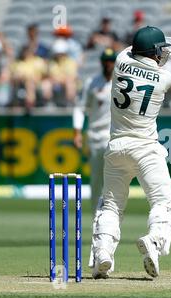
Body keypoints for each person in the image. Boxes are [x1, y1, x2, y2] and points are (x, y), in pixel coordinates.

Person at [90, 26, 171, 279]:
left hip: (116, 148)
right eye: (160, 50)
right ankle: (154, 241)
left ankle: (103, 254)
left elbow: (131, 51)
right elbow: (165, 66)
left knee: (111, 205)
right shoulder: (165, 78)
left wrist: (164, 47)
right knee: (165, 203)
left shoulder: (120, 62)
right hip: (145, 149)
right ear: (154, 51)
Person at [72, 48, 117, 272]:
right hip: (96, 139)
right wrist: (77, 132)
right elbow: (81, 108)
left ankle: (105, 236)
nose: (108, 64)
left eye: (111, 61)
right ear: (101, 62)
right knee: (96, 188)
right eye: (105, 61)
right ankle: (96, 228)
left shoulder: (120, 82)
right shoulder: (93, 82)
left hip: (115, 140)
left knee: (111, 191)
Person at [47, 39, 78, 107]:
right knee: (46, 84)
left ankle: (69, 104)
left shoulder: (71, 62)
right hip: (55, 83)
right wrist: (60, 79)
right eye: (58, 53)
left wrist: (60, 79)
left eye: (61, 53)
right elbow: (51, 76)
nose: (59, 55)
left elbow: (71, 77)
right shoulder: (52, 62)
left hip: (65, 83)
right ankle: (48, 103)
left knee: (70, 83)